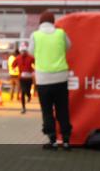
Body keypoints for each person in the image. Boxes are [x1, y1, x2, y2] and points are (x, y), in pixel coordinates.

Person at [31, 11, 73, 150]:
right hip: (61, 77)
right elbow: (68, 46)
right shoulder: (61, 33)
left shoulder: (35, 35)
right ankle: (66, 140)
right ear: (53, 21)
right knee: (62, 109)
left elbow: (31, 52)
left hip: (43, 79)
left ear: (41, 22)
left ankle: (52, 139)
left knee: (47, 111)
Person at [17, 47, 34, 114]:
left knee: (28, 90)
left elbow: (36, 64)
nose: (23, 52)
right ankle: (23, 107)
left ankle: (29, 95)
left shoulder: (31, 58)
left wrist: (33, 70)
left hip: (29, 77)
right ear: (20, 51)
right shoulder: (18, 58)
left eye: (24, 51)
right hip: (22, 78)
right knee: (23, 92)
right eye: (22, 51)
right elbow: (13, 65)